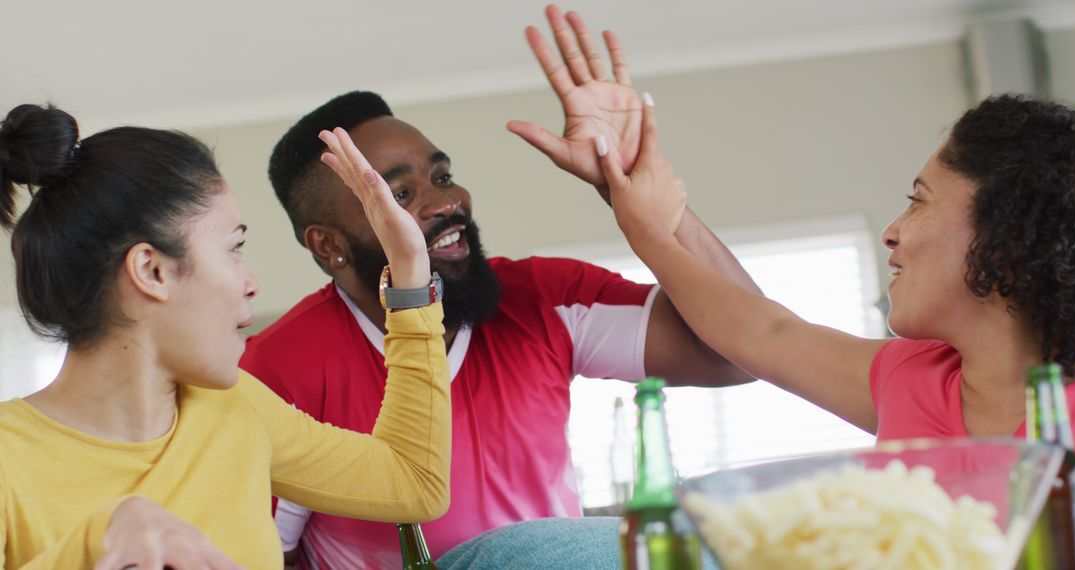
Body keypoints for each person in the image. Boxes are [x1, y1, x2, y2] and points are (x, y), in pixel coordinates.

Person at [239, 5, 759, 567]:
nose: (446, 202)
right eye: (400, 196)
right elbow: (263, 554)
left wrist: (641, 196)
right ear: (329, 245)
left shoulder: (543, 296)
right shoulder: (276, 371)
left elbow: (741, 352)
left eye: (441, 176)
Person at [0, 105, 451, 569]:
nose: (252, 283)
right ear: (152, 271)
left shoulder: (236, 409)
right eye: (234, 248)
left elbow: (414, 482)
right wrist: (99, 539)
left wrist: (409, 273)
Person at [596, 92, 1075, 448]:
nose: (892, 231)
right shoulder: (909, 377)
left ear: (1007, 234)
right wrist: (646, 225)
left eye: (918, 202)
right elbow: (765, 331)